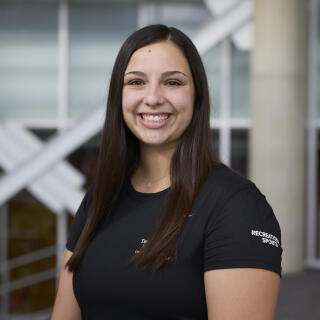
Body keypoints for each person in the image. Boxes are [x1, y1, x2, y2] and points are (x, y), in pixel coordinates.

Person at [51, 24, 282, 320]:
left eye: (172, 82)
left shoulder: (237, 206)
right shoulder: (100, 198)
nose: (153, 97)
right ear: (118, 97)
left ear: (197, 96)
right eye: (136, 82)